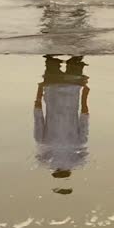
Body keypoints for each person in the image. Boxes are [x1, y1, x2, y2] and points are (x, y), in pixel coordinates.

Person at [34, 55, 90, 193]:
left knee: (76, 57)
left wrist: (85, 93)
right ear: (54, 172)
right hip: (52, 89)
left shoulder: (79, 150)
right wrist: (40, 90)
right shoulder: (44, 149)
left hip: (72, 90)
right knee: (51, 56)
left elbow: (84, 118)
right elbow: (38, 115)